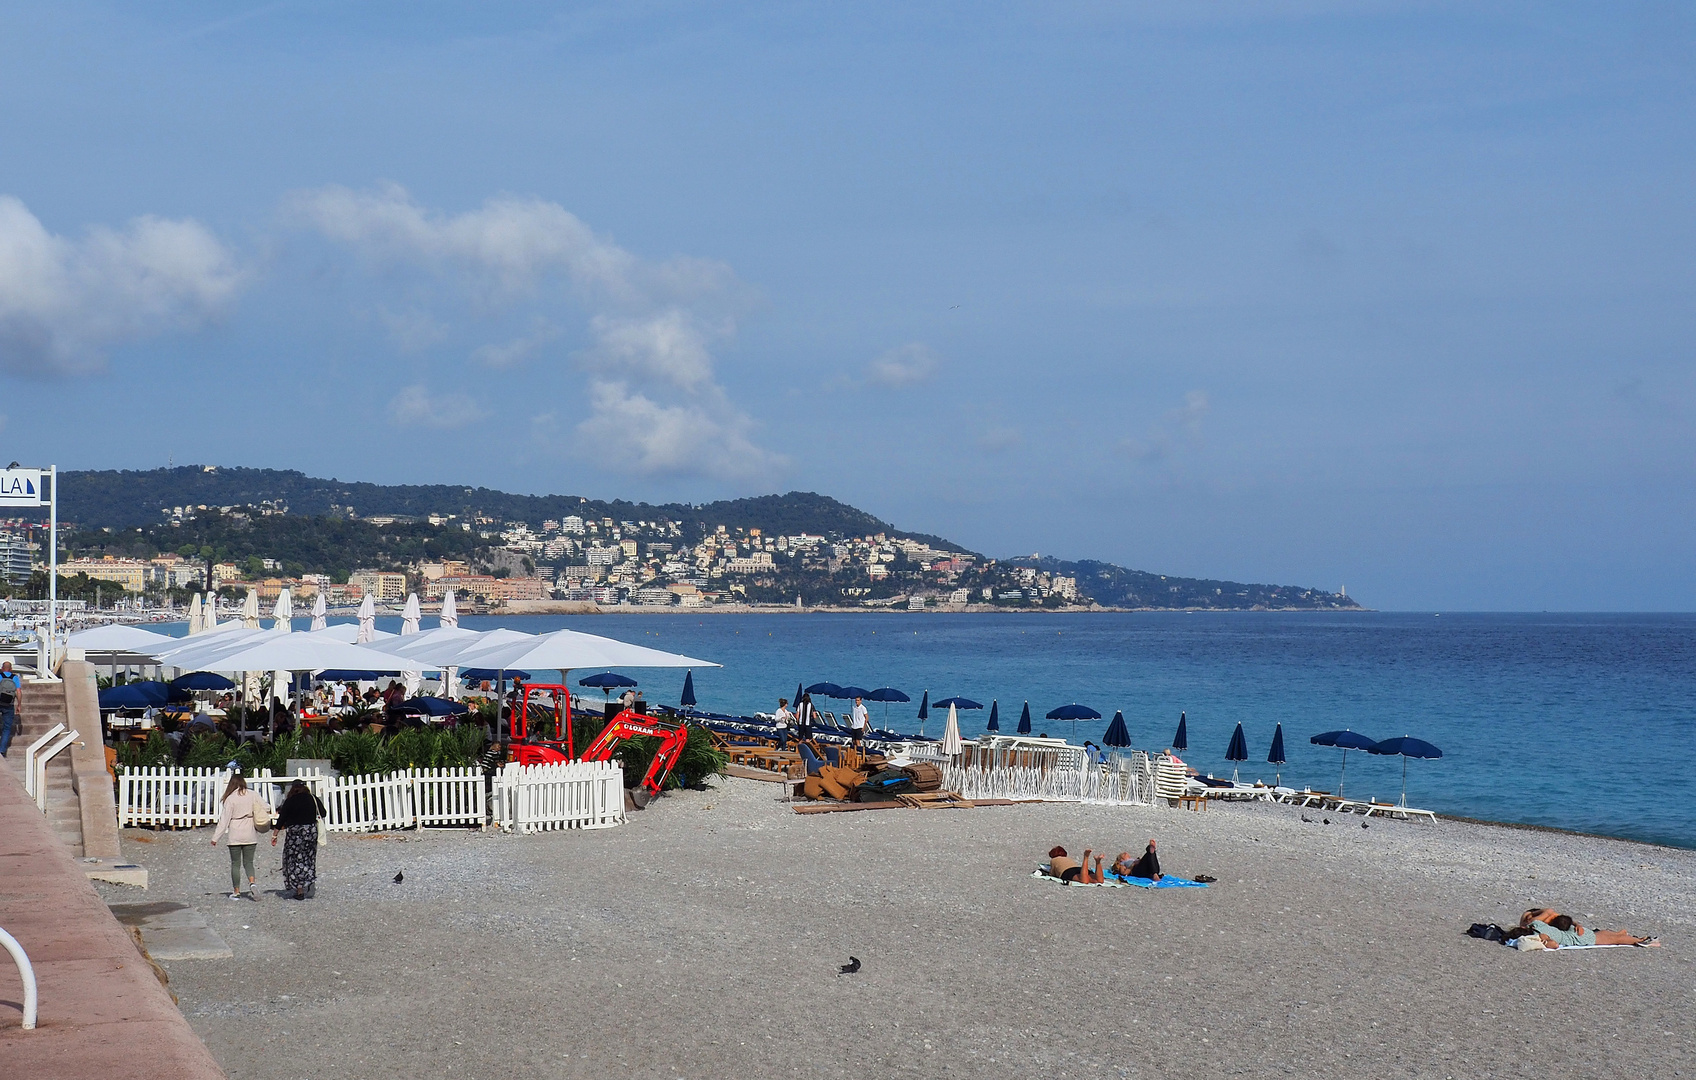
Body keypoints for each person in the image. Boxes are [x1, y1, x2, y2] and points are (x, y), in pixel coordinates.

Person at [210, 766, 271, 901]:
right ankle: (252, 882)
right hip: (250, 833)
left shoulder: (230, 798)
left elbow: (224, 820)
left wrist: (215, 838)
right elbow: (266, 807)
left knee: (235, 863)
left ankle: (236, 891)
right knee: (249, 862)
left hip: (235, 834)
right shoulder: (252, 794)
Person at [271, 780, 326, 900]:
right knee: (309, 858)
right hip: (310, 832)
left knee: (295, 860)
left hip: (295, 834)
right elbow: (323, 813)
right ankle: (310, 880)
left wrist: (275, 835)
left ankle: (300, 890)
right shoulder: (313, 798)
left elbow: (281, 819)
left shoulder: (290, 801)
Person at [1519, 908, 1658, 948]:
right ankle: (1639, 940)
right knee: (1614, 939)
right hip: (1578, 936)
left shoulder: (1537, 927)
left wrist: (1530, 915)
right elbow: (1549, 911)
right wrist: (1534, 913)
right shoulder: (1538, 924)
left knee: (1609, 937)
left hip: (1577, 936)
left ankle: (1632, 937)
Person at [0, 660, 18, 757]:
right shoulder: (15, 677)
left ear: (2, 668)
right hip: (9, 704)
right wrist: (19, 704)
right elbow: (18, 691)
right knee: (6, 728)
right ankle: (2, 751)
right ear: (11, 669)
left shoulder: (0, 676)